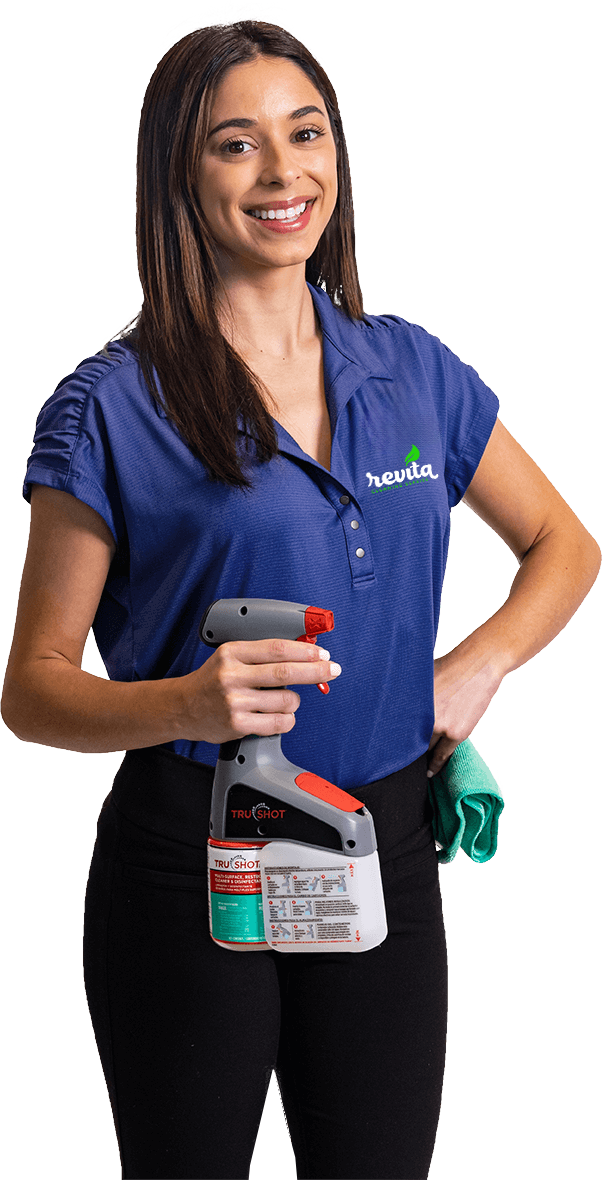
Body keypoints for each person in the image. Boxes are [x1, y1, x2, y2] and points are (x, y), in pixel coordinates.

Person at [1, 18, 599, 1180]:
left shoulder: (413, 371)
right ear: (179, 173)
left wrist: (473, 666)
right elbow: (32, 687)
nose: (284, 173)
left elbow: (563, 544)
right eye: (237, 144)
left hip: (382, 844)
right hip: (193, 862)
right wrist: (185, 702)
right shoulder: (110, 408)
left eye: (306, 133)